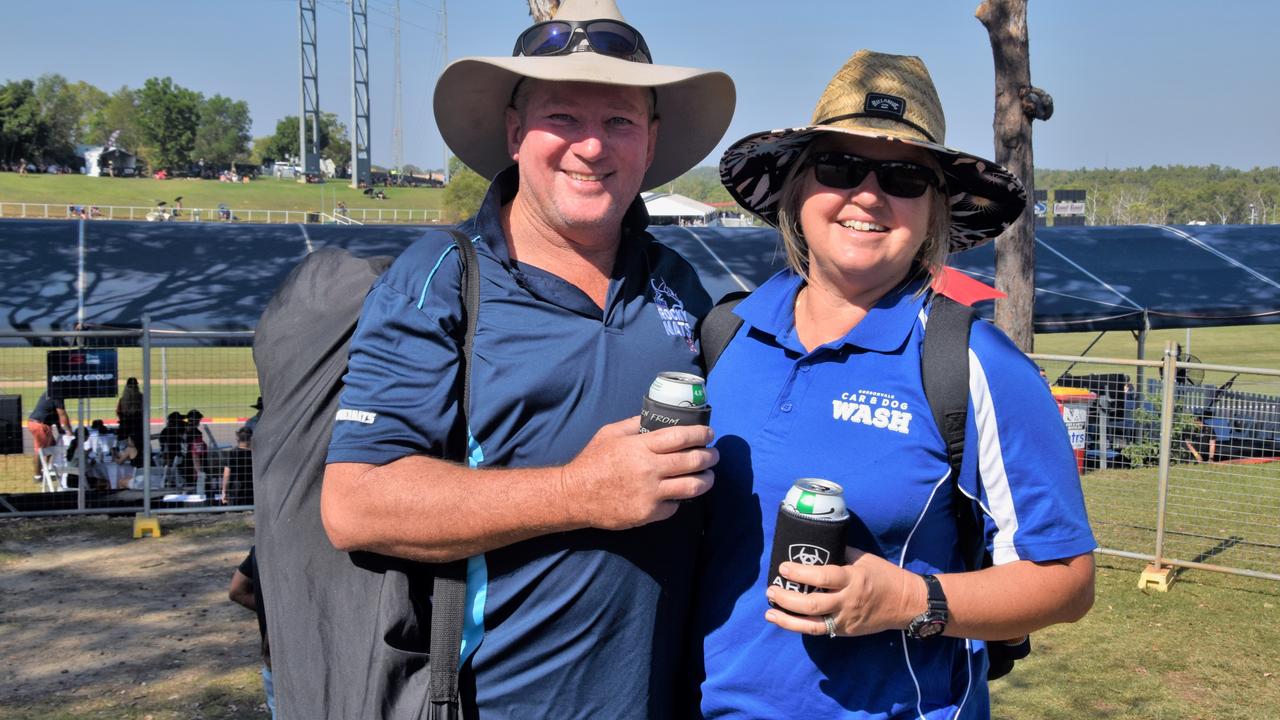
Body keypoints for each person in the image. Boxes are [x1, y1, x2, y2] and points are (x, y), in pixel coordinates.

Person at [319, 0, 734, 715]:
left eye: (619, 122)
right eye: (563, 117)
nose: (592, 147)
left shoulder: (682, 283)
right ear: (516, 132)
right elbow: (355, 501)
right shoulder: (443, 277)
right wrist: (578, 492)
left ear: (651, 140)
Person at [693, 50, 1097, 718]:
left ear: (935, 209)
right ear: (798, 188)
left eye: (905, 177)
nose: (869, 194)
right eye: (840, 167)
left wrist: (911, 601)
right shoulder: (725, 337)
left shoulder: (974, 363)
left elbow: (1068, 581)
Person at [229, 547, 276, 719]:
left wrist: (272, 613)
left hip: (273, 662)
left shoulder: (261, 549)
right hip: (300, 665)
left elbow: (236, 590)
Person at [27, 391, 70, 482]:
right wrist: (70, 432)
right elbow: (62, 414)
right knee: (40, 451)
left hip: (36, 423)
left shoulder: (50, 393)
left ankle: (45, 470)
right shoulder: (58, 394)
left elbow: (55, 414)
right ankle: (37, 476)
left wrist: (60, 429)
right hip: (40, 425)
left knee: (52, 446)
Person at [116, 377, 145, 467]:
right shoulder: (141, 398)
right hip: (137, 430)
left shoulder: (122, 400)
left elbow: (118, 412)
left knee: (125, 450)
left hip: (126, 430)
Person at [221, 426, 254, 506]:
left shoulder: (232, 454)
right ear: (251, 439)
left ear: (237, 439)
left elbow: (226, 475)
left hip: (236, 490)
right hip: (252, 490)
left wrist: (224, 491)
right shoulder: (255, 454)